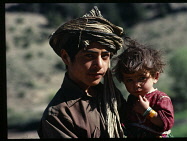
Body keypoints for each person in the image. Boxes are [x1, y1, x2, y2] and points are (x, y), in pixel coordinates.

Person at [37, 6, 126, 138]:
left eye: (105, 56)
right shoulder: (59, 116)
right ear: (66, 57)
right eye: (89, 56)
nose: (99, 65)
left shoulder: (111, 96)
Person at [112, 38, 174, 138]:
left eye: (142, 78)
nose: (136, 85)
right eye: (129, 80)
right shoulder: (131, 99)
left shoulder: (161, 98)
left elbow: (166, 123)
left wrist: (147, 111)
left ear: (155, 77)